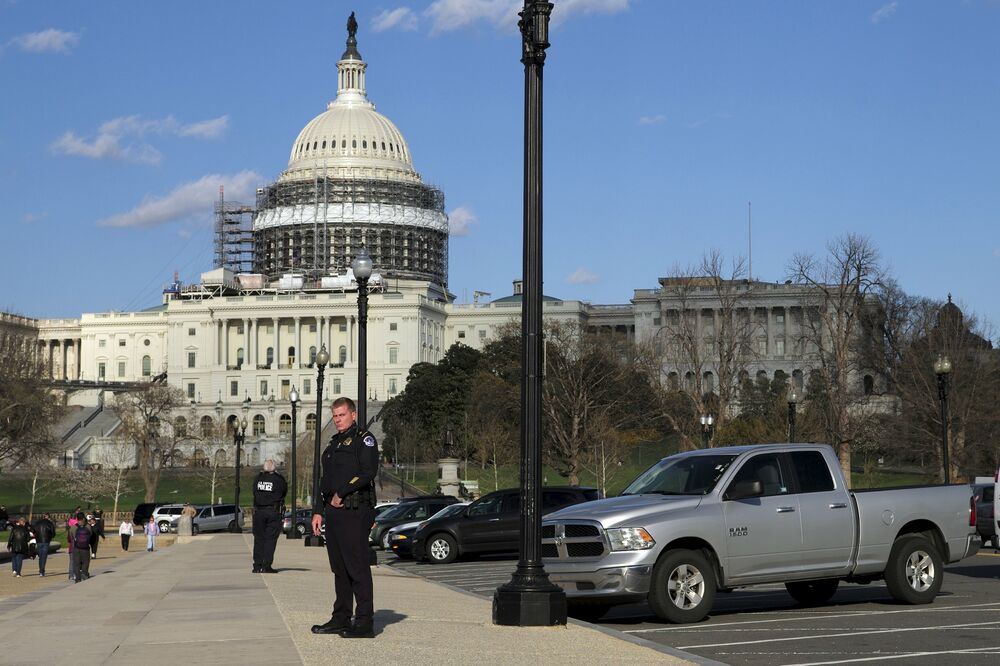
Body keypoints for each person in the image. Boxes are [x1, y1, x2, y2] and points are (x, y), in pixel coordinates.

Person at [310, 397, 379, 639]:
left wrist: (343, 492)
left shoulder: (364, 440)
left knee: (357, 567)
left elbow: (368, 472)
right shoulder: (333, 445)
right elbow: (324, 482)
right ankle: (341, 617)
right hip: (334, 512)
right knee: (339, 568)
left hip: (354, 510)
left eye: (342, 415)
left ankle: (364, 622)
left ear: (354, 414)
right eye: (335, 416)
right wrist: (318, 510)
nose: (338, 420)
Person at [252, 459, 287, 573]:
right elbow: (284, 492)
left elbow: (254, 492)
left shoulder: (258, 479)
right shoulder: (278, 479)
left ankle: (257, 565)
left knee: (259, 539)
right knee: (270, 539)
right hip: (273, 511)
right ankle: (266, 565)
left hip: (259, 511)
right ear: (274, 468)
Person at [31, 513, 56, 577]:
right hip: (46, 541)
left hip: (39, 540)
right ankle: (42, 571)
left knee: (41, 556)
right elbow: (53, 533)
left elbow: (33, 531)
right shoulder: (50, 523)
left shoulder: (37, 523)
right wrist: (51, 536)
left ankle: (41, 570)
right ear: (48, 517)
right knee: (43, 557)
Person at [70, 514, 92, 583]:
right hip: (85, 547)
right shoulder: (88, 526)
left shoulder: (73, 527)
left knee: (76, 563)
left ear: (77, 519)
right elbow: (90, 535)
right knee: (86, 562)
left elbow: (71, 537)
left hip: (76, 547)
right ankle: (84, 574)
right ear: (83, 519)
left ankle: (77, 578)